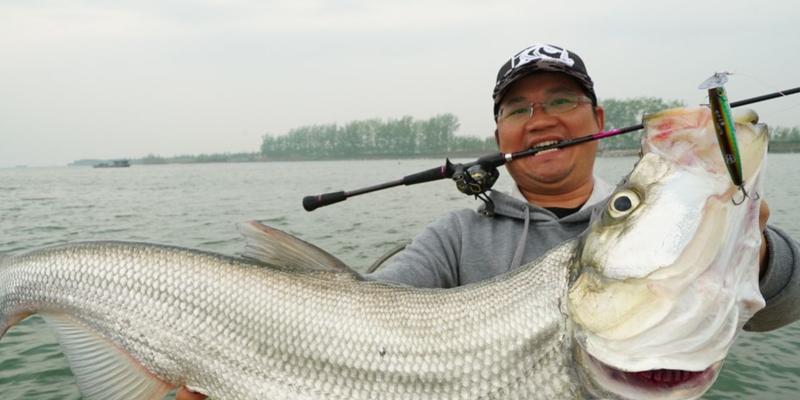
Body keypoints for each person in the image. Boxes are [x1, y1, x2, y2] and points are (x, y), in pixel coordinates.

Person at [175, 43, 800, 400]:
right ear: (498, 133)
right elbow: (367, 318)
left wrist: (750, 249)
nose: (542, 118)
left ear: (599, 119)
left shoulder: (661, 249)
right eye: (518, 108)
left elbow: (777, 305)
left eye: (562, 100)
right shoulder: (453, 239)